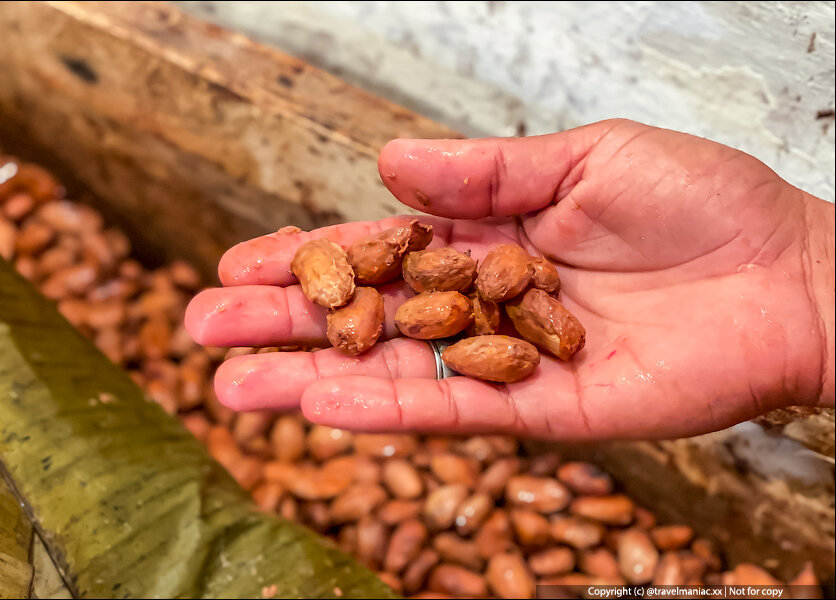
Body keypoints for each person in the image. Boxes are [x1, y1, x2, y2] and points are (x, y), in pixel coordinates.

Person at [185, 119, 835, 440]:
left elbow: (474, 299)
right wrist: (803, 263)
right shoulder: (444, 285)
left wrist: (804, 262)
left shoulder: (496, 289)